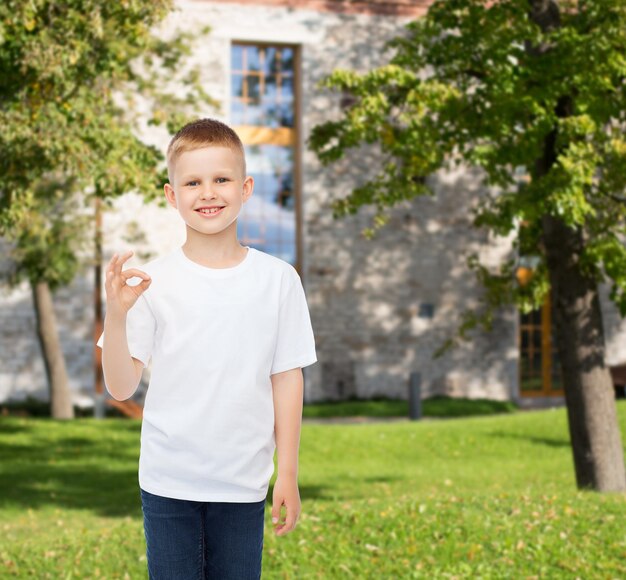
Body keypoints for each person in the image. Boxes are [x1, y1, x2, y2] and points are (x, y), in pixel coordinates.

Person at [96, 118, 317, 579]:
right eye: (193, 182)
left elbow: (287, 377)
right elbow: (120, 387)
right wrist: (116, 316)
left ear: (246, 187)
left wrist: (289, 472)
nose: (208, 192)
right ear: (172, 195)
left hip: (243, 483)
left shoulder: (278, 280)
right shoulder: (150, 283)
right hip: (167, 482)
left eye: (221, 179)